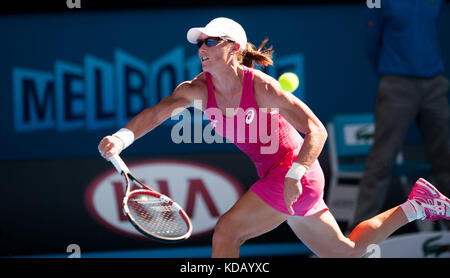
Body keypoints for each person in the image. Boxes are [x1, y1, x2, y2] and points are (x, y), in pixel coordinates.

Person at [98, 17, 450, 258]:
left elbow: (316, 130)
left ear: (233, 48)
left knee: (227, 232)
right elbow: (159, 111)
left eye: (211, 41)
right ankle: (419, 204)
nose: (202, 47)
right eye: (200, 42)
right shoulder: (195, 90)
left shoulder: (262, 87)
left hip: (295, 172)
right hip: (275, 176)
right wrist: (123, 137)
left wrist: (296, 174)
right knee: (347, 251)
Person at [351, 0, 450, 229]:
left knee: (445, 159)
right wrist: (391, 74)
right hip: (396, 84)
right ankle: (359, 235)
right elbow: (371, 40)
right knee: (382, 160)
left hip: (434, 84)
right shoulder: (377, 1)